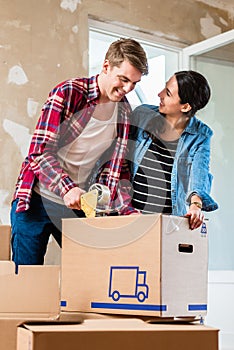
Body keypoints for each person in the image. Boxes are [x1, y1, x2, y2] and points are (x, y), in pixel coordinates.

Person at [10, 38, 148, 265]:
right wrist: (67, 188)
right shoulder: (69, 92)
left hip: (78, 206)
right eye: (123, 80)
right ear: (106, 67)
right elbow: (40, 152)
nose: (127, 89)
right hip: (36, 200)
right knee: (27, 279)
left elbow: (116, 169)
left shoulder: (124, 112)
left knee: (90, 274)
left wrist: (127, 210)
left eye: (134, 83)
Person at [127, 70, 218, 229]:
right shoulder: (142, 115)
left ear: (185, 106)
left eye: (168, 93)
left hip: (165, 225)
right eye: (164, 88)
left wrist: (195, 206)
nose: (159, 94)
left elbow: (200, 173)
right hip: (129, 217)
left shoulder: (201, 135)